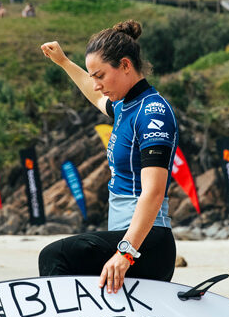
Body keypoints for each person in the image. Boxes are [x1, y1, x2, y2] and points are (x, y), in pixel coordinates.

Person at [38, 20, 179, 294]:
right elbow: (94, 95)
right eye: (93, 76)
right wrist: (64, 62)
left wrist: (125, 253)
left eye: (100, 75)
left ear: (125, 65)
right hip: (128, 241)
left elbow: (154, 191)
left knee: (55, 256)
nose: (96, 84)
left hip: (147, 243)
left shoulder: (152, 113)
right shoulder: (126, 106)